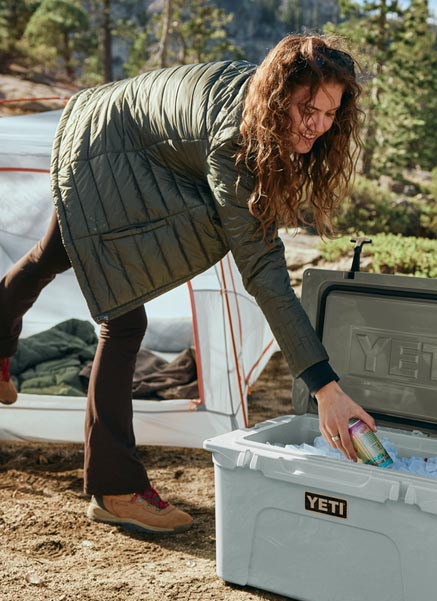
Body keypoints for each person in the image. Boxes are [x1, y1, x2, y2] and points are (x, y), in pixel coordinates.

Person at [0, 33, 376, 534]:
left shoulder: (260, 106)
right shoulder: (237, 140)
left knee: (50, 256)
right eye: (307, 109)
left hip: (109, 131)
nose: (317, 126)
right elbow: (263, 268)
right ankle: (116, 491)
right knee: (124, 319)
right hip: (107, 147)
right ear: (280, 93)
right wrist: (325, 387)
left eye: (329, 114)